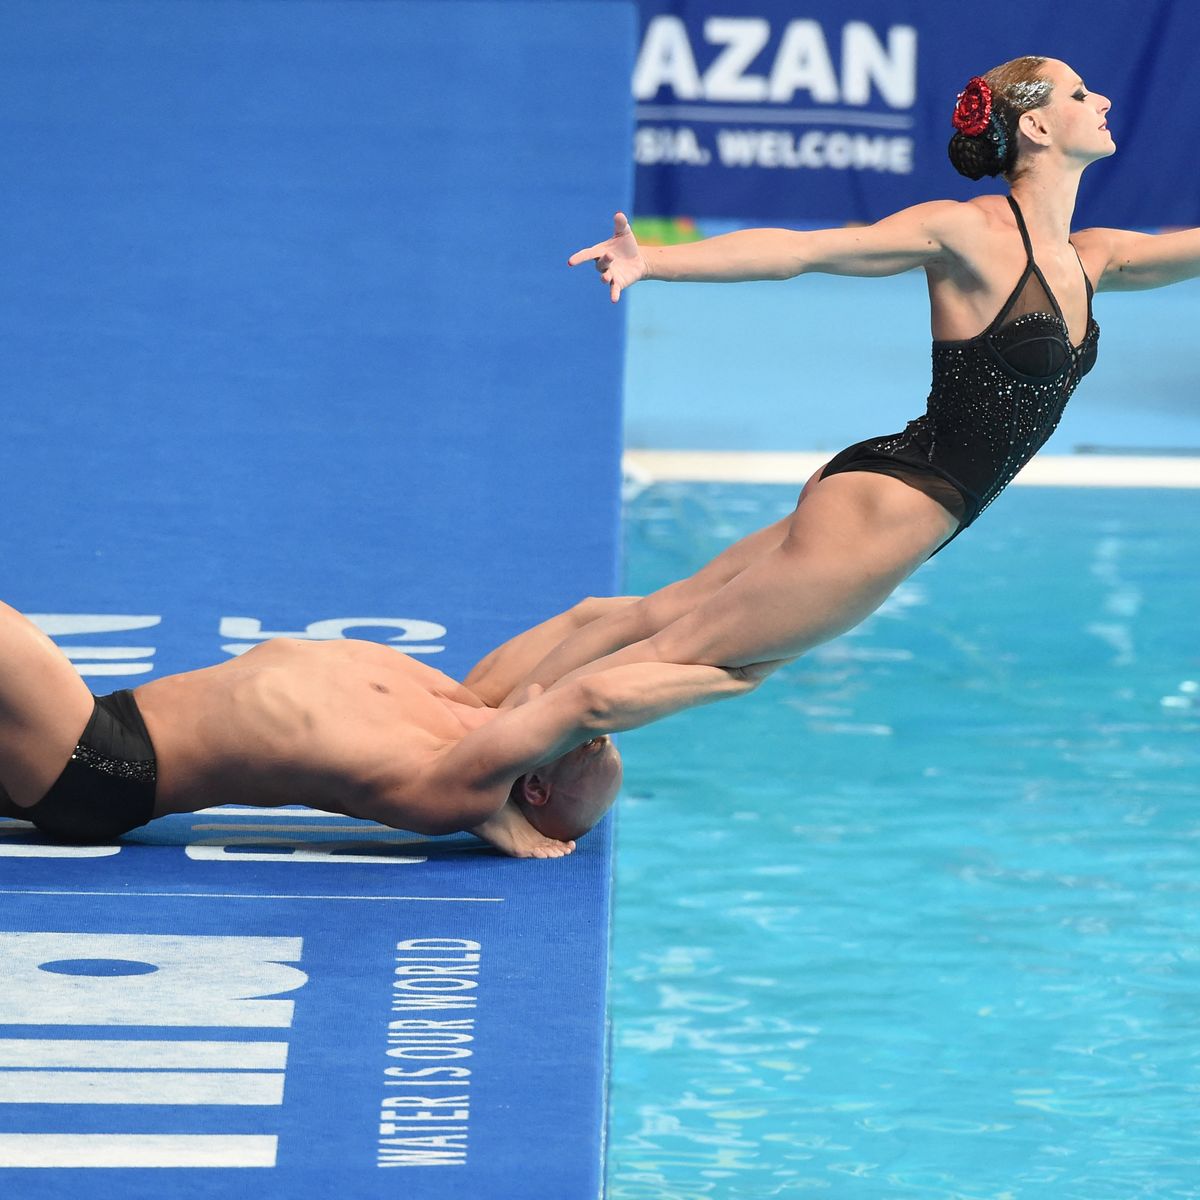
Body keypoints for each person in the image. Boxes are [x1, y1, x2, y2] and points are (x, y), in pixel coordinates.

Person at [487, 57, 1200, 715]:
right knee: (699, 660)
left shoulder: (1094, 255)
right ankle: (475, 760)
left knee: (662, 618)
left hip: (888, 489)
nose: (1102, 99)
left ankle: (472, 707)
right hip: (894, 506)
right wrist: (657, 262)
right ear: (1037, 127)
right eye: (1081, 93)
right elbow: (803, 251)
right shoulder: (968, 233)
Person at [0, 597, 752, 854]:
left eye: (591, 749)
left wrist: (740, 678)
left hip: (99, 766)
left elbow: (587, 701)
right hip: (98, 729)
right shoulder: (466, 699)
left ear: (532, 782)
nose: (598, 725)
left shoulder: (442, 780)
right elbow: (608, 617)